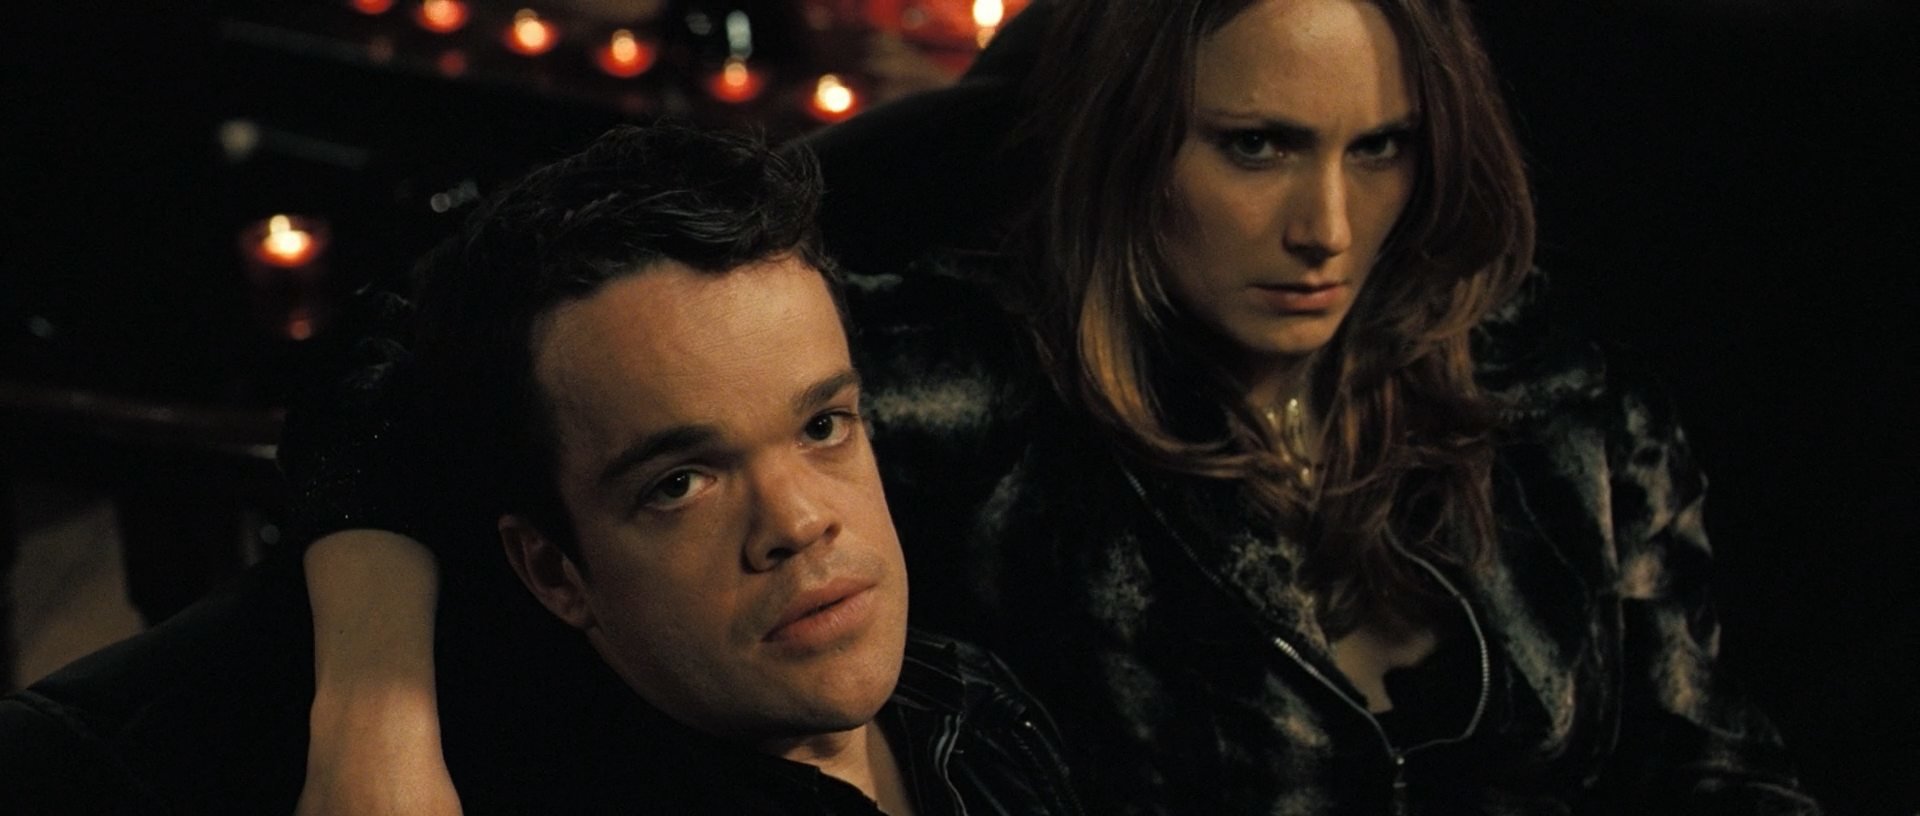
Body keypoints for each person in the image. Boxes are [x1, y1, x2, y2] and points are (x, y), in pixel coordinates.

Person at [291, 1, 1824, 813]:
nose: (1328, 231)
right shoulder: (980, 382)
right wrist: (373, 719)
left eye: (1382, 150)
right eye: (1256, 146)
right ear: (1133, 144)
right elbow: (429, 352)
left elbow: (1708, 758)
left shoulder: (1541, 382)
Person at [0, 124, 1079, 816]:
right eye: (678, 482)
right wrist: (373, 713)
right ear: (556, 573)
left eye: (822, 425)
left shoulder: (972, 702)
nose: (798, 521)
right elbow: (379, 374)